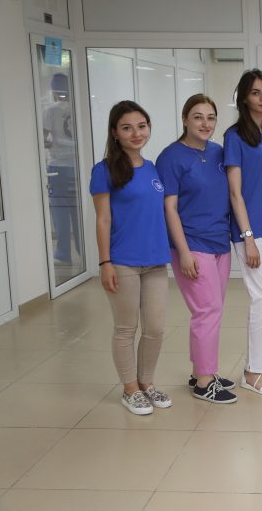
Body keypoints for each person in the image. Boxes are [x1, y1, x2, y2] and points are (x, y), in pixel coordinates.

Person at [89, 100, 171, 415]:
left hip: (155, 260)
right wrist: (105, 262)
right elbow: (103, 220)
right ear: (115, 132)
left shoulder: (153, 168)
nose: (136, 133)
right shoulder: (104, 170)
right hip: (122, 260)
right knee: (126, 328)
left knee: (155, 328)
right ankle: (130, 389)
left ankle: (146, 382)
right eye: (127, 128)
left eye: (141, 126)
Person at [157, 94, 237, 404]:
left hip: (219, 243)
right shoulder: (171, 157)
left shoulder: (218, 153)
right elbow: (169, 208)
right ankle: (205, 382)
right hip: (192, 244)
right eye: (198, 117)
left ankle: (200, 371)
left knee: (212, 310)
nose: (205, 123)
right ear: (185, 120)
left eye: (211, 117)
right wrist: (184, 252)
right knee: (207, 311)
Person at [224, 69, 262, 396]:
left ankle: (259, 363)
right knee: (261, 298)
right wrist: (247, 237)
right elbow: (235, 193)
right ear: (244, 98)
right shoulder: (235, 137)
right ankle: (252, 372)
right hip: (251, 232)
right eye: (256, 92)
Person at [43, 72, 80, 265]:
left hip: (57, 168)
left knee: (60, 211)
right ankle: (83, 251)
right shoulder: (79, 108)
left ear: (53, 90)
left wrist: (54, 144)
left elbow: (42, 138)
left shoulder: (51, 110)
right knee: (77, 210)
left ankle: (63, 253)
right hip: (78, 167)